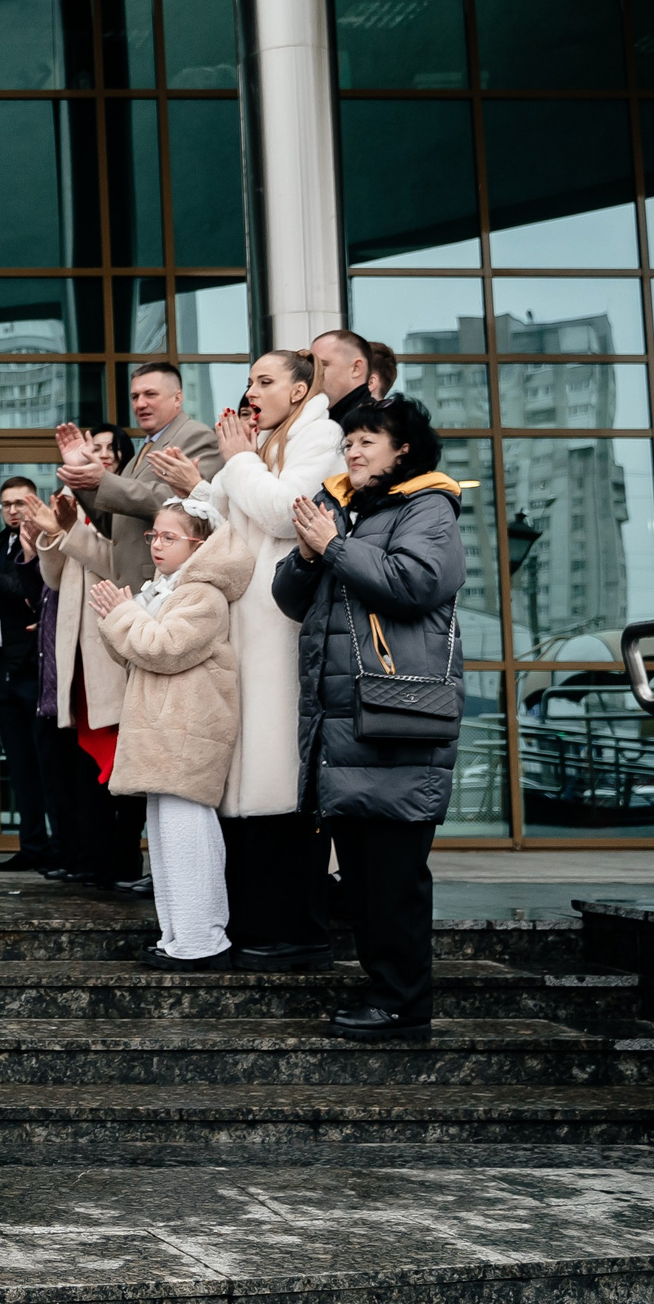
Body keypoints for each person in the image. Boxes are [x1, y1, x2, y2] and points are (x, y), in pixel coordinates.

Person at [144, 349, 344, 970]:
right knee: (248, 774)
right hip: (246, 627)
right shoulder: (266, 441)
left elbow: (287, 514)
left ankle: (294, 930)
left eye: (266, 380)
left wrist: (236, 461)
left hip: (280, 629)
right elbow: (237, 520)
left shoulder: (322, 435)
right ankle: (254, 922)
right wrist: (201, 488)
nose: (251, 391)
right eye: (249, 380)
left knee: (276, 774)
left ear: (302, 388)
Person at [275, 397, 467, 1041]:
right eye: (348, 443)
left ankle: (403, 1006)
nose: (352, 452)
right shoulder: (346, 512)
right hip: (350, 724)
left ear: (403, 450)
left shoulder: (427, 508)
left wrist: (333, 547)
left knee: (392, 877)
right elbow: (288, 598)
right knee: (362, 875)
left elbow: (416, 583)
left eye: (366, 442)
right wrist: (309, 555)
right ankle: (387, 994)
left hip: (396, 717)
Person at [87, 496, 252, 968]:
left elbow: (164, 648)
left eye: (168, 536)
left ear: (199, 545)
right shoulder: (167, 589)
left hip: (186, 733)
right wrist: (120, 615)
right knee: (165, 840)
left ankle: (203, 942)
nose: (156, 544)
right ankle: (179, 938)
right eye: (153, 535)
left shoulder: (203, 594)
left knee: (188, 839)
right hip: (163, 732)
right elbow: (133, 651)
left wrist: (123, 613)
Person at [28, 488, 136, 889]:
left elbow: (117, 565)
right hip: (77, 660)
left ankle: (117, 861)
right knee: (83, 771)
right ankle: (89, 858)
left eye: (107, 453)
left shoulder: (121, 515)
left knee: (111, 773)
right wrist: (55, 534)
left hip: (109, 658)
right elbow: (54, 577)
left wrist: (72, 529)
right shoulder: (77, 517)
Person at [56, 363, 223, 591]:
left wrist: (102, 480)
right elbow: (115, 525)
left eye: (150, 394)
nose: (140, 404)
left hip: (167, 586)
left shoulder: (196, 436)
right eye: (134, 397)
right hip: (134, 588)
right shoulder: (143, 449)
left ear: (178, 398)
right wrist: (82, 474)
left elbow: (180, 505)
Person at [0, 478, 53, 872]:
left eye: (20, 503)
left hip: (36, 669)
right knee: (19, 764)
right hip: (3, 668)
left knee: (45, 764)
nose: (13, 511)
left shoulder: (45, 542)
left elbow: (29, 594)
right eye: (6, 504)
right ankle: (32, 845)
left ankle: (58, 847)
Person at [310, 328, 380, 434]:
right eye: (311, 366)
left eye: (322, 365)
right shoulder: (319, 418)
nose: (312, 374)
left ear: (356, 368)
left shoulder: (376, 424)